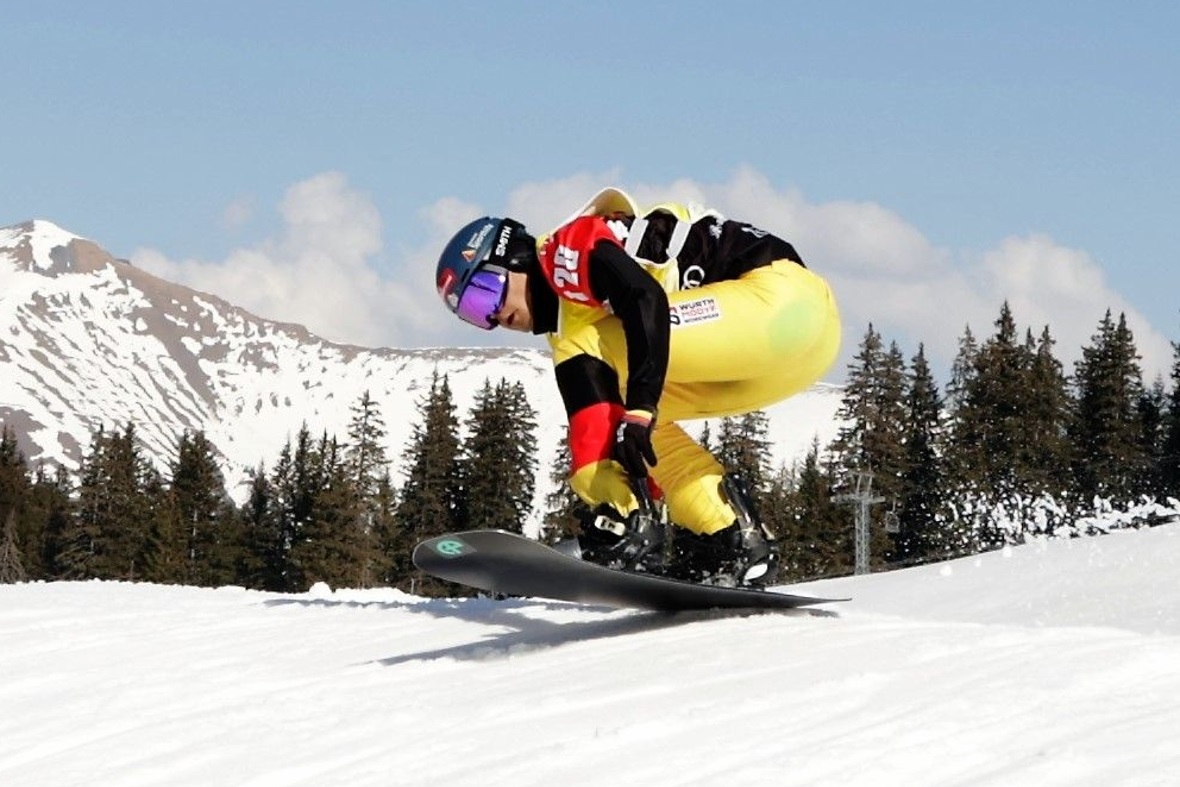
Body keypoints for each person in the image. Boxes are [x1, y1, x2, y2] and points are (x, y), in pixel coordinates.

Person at [435, 187, 841, 586]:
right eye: (474, 313)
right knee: (617, 416)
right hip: (788, 358)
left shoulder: (565, 250)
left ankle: (627, 521)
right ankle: (730, 535)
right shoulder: (572, 333)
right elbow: (596, 427)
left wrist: (642, 409)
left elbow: (645, 298)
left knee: (608, 380)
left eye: (486, 291)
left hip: (785, 306)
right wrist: (634, 423)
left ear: (517, 258)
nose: (494, 316)